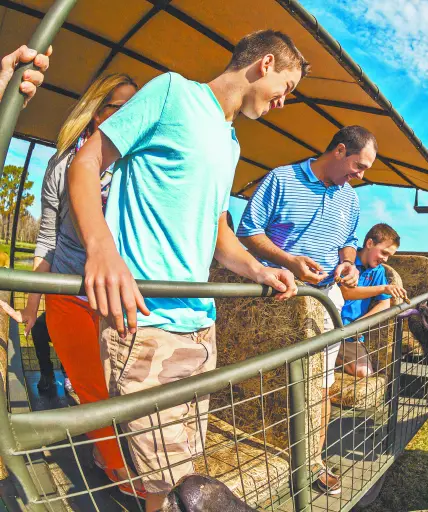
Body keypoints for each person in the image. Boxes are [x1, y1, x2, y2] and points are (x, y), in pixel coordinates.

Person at [66, 30, 306, 511]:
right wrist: (101, 248)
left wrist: (260, 270)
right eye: (288, 86)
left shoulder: (231, 141)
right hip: (145, 321)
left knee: (187, 473)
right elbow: (87, 160)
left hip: (200, 327)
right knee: (166, 483)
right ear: (264, 63)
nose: (285, 101)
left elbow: (219, 235)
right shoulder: (172, 92)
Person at [4, 73, 144, 498]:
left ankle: (136, 463)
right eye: (120, 108)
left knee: (130, 388)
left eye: (134, 109)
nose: (129, 117)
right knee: (93, 389)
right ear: (96, 110)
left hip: (124, 295)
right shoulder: (63, 164)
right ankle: (115, 465)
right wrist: (32, 305)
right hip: (71, 294)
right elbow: (47, 237)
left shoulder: (140, 161)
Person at [237, 125, 377, 495]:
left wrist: (349, 264)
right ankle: (263, 460)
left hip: (326, 298)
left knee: (321, 383)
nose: (360, 175)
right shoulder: (280, 179)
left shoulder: (351, 199)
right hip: (278, 300)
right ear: (339, 150)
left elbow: (348, 243)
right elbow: (248, 231)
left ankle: (312, 461)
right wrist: (288, 260)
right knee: (267, 383)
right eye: (359, 166)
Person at [337, 223, 407, 378]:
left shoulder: (378, 271)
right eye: (384, 252)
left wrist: (359, 324)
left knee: (364, 372)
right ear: (369, 243)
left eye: (389, 255)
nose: (386, 259)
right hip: (329, 329)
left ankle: (334, 360)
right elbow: (345, 292)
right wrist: (383, 288)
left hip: (350, 335)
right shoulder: (346, 261)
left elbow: (385, 303)